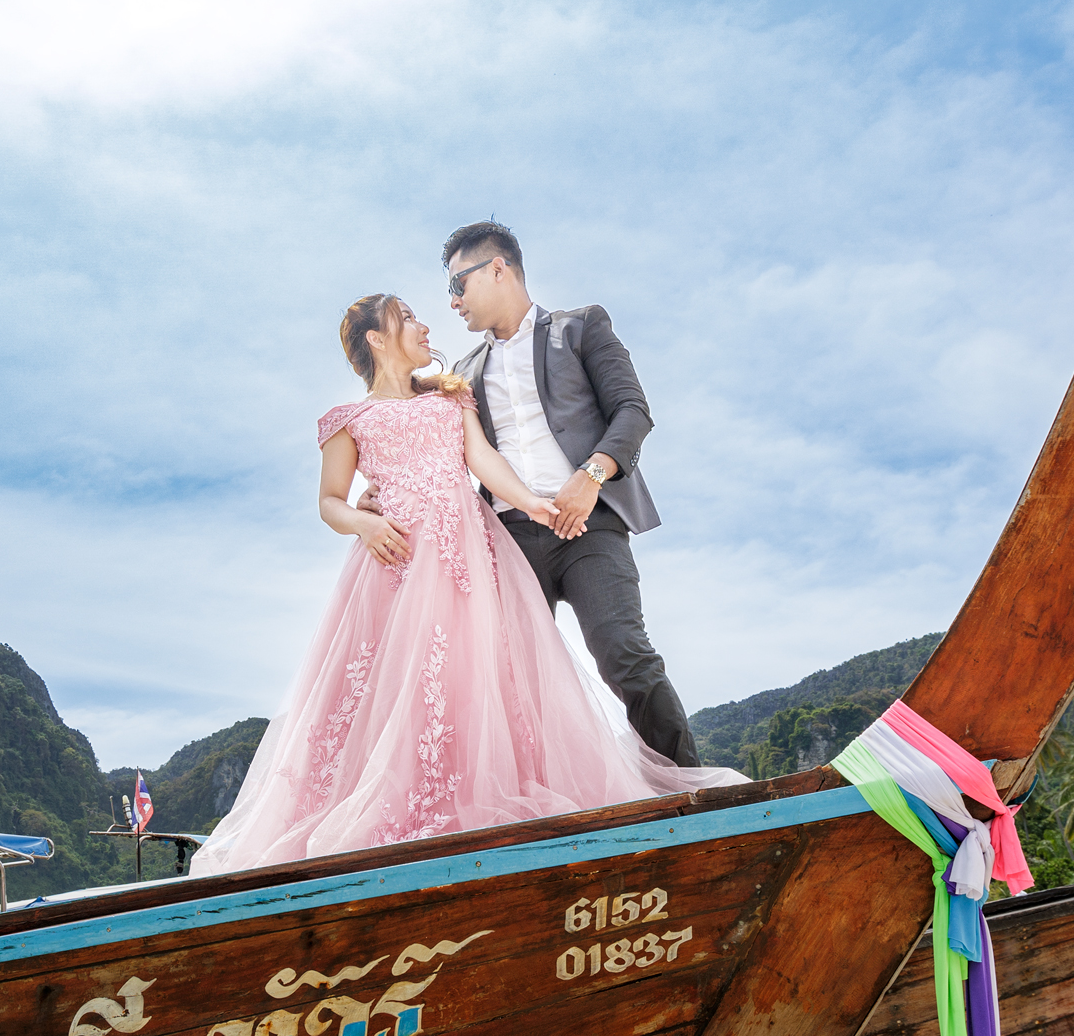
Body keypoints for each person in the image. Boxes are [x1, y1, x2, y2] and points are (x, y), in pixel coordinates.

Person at [188, 295, 745, 875]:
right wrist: (364, 520)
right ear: (376, 339)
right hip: (396, 561)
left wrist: (535, 504)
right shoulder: (346, 420)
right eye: (406, 317)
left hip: (465, 554)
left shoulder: (451, 398)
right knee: (395, 685)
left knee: (476, 674)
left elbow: (482, 460)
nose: (424, 322)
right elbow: (329, 501)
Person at [439, 221, 705, 768]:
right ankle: (539, 811)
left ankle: (692, 791)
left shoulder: (582, 327)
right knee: (516, 681)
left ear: (498, 268)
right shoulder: (459, 375)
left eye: (457, 285)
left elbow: (632, 410)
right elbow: (426, 444)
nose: (452, 302)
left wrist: (592, 474)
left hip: (589, 528)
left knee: (624, 655)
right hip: (508, 540)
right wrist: (377, 494)